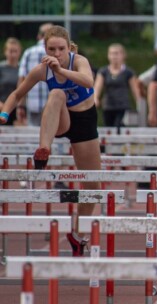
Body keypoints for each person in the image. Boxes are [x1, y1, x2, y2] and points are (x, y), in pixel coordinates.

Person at [0, 25, 102, 257]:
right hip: (61, 119)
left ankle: (77, 236)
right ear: (45, 49)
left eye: (61, 49)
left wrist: (62, 71)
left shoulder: (78, 61)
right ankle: (44, 148)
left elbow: (88, 81)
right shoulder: (42, 70)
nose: (56, 54)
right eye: (51, 49)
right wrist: (4, 114)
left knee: (93, 188)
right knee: (56, 94)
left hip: (85, 123)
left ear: (69, 47)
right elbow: (17, 94)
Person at [94, 43, 141, 128]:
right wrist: (95, 98)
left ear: (123, 55)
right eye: (111, 53)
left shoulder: (128, 72)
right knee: (108, 128)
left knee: (119, 126)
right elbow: (97, 87)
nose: (114, 56)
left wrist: (139, 104)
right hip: (108, 106)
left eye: (116, 53)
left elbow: (135, 90)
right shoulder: (103, 71)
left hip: (123, 106)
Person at [18, 22, 53, 127]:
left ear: (39, 36)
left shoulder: (28, 53)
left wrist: (20, 105)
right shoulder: (58, 52)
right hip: (53, 104)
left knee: (33, 138)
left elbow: (22, 80)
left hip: (33, 104)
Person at [0, 38, 22, 125]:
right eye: (10, 51)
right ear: (5, 51)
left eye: (15, 51)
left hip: (17, 110)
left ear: (19, 52)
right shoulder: (1, 68)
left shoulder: (22, 69)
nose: (13, 54)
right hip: (1, 107)